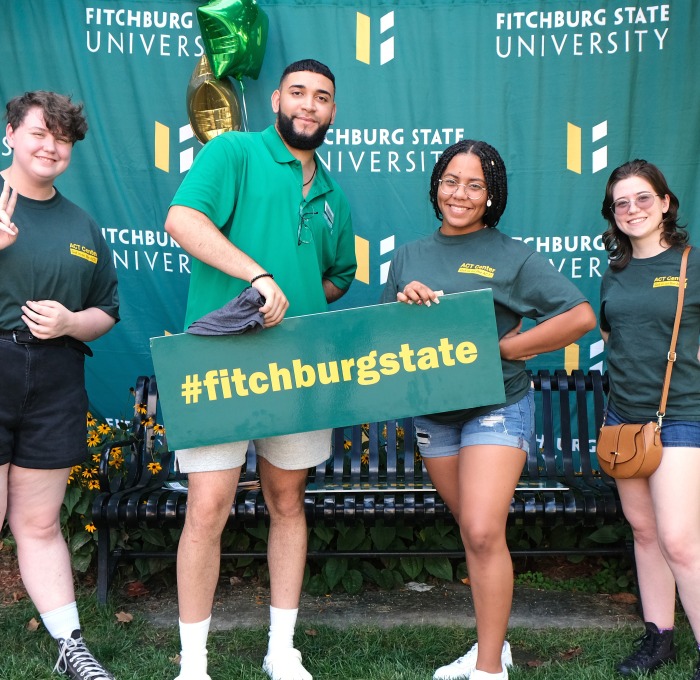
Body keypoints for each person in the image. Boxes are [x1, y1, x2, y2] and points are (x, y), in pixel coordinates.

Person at [163, 59, 356, 680]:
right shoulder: (234, 152)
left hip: (295, 372)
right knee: (207, 506)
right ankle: (194, 662)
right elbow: (182, 220)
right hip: (219, 361)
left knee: (288, 502)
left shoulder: (333, 196)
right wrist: (257, 276)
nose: (309, 105)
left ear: (332, 111)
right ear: (276, 98)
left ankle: (281, 649)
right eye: (298, 92)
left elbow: (336, 278)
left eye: (322, 98)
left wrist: (291, 297)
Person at [380, 139, 596, 680]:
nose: (461, 193)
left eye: (475, 184)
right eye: (452, 180)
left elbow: (580, 317)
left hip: (497, 405)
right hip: (434, 412)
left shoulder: (511, 255)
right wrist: (405, 307)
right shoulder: (407, 256)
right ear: (436, 186)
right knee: (476, 532)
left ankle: (488, 671)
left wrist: (510, 348)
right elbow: (386, 339)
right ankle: (492, 649)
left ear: (491, 195)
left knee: (480, 529)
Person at [0, 91, 119, 679]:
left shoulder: (80, 223)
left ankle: (71, 649)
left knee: (40, 523)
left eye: (63, 139)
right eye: (40, 133)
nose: (51, 147)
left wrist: (73, 322)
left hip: (54, 377)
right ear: (11, 134)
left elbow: (107, 309)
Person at [599, 159, 700, 679]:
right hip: (624, 420)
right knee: (644, 531)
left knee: (681, 539)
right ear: (612, 214)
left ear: (665, 203)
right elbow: (614, 339)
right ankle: (659, 637)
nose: (632, 209)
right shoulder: (613, 273)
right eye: (621, 202)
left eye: (642, 198)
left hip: (681, 415)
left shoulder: (692, 264)